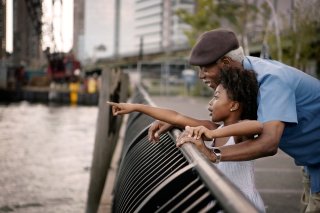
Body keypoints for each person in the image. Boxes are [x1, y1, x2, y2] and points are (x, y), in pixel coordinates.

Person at [148, 28, 320, 213]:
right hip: (312, 162)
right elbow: (223, 126)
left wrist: (214, 154)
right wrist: (178, 122)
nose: (200, 75)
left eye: (205, 68)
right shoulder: (245, 76)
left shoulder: (271, 80)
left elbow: (269, 143)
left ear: (226, 62)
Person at [108, 67, 266, 212]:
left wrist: (211, 137)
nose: (210, 104)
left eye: (216, 98)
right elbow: (176, 116)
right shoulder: (212, 127)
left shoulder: (237, 134)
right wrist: (136, 107)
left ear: (233, 105)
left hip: (241, 203)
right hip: (221, 199)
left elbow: (257, 126)